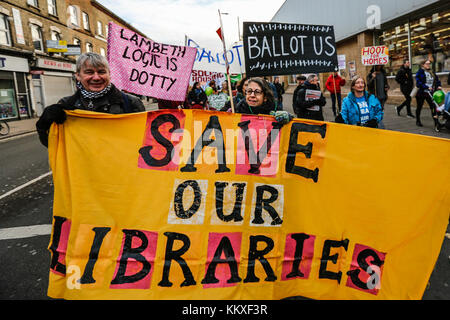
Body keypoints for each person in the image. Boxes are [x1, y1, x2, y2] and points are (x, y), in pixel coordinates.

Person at [36, 52, 145, 147]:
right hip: (84, 169)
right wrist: (43, 126)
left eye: (101, 72)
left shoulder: (130, 102)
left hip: (120, 168)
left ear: (109, 74)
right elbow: (55, 145)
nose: (96, 77)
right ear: (78, 76)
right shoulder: (66, 105)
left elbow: (145, 141)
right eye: (89, 72)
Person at [221, 77, 293, 124]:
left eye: (257, 92)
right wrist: (226, 117)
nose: (252, 95)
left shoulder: (274, 111)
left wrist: (289, 120)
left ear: (265, 97)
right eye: (249, 91)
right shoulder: (238, 108)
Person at [415, 60, 442, 130]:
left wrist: (438, 85)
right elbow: (418, 83)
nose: (428, 65)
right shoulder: (420, 72)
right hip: (422, 93)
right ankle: (418, 120)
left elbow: (437, 80)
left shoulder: (431, 72)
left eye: (429, 64)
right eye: (427, 64)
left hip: (430, 93)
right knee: (419, 107)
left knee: (433, 107)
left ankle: (436, 123)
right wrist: (426, 87)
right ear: (422, 65)